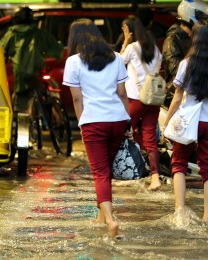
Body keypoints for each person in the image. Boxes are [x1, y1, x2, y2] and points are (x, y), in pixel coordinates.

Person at [62, 18, 131, 239]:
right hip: (117, 120)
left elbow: (76, 99)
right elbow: (122, 94)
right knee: (106, 171)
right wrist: (128, 120)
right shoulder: (117, 57)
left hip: (94, 122)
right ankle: (101, 216)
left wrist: (83, 124)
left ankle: (111, 221)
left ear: (76, 38)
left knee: (100, 173)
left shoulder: (73, 62)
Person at [162, 20, 208, 223]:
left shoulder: (186, 64)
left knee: (179, 165)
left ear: (194, 39)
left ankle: (180, 212)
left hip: (188, 122)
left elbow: (177, 97)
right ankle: (207, 217)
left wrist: (166, 123)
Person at [120, 16, 163, 191]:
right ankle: (155, 177)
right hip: (153, 100)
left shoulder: (131, 48)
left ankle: (123, 168)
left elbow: (119, 63)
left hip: (135, 99)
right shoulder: (156, 50)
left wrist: (125, 41)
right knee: (150, 138)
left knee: (122, 131)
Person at [0, 6, 63, 113]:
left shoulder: (11, 35)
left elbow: (0, 50)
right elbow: (57, 50)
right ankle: (55, 115)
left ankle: (25, 121)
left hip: (21, 76)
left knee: (22, 106)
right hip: (37, 72)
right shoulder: (39, 34)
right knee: (50, 89)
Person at [162, 0, 208, 97]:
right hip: (177, 94)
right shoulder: (172, 40)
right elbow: (177, 71)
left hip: (198, 90)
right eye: (203, 19)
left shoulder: (197, 36)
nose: (205, 23)